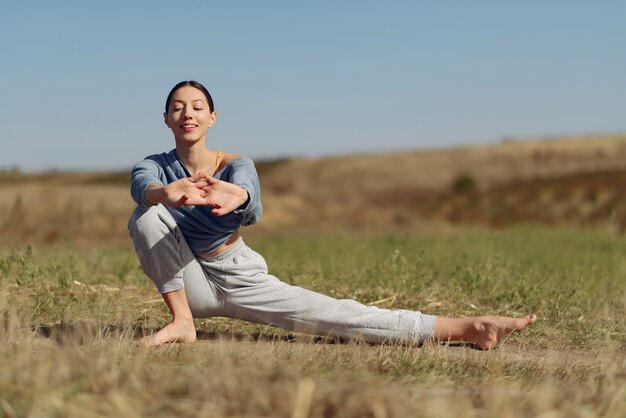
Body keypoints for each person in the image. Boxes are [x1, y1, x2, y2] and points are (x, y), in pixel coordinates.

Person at [128, 80, 536, 349]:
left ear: (212, 118)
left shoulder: (237, 164)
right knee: (143, 216)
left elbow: (251, 198)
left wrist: (239, 198)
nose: (188, 114)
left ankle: (468, 328)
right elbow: (139, 186)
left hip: (237, 274)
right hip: (190, 281)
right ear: (166, 119)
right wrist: (164, 193)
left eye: (197, 106)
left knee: (340, 316)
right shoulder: (156, 165)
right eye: (178, 108)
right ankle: (183, 322)